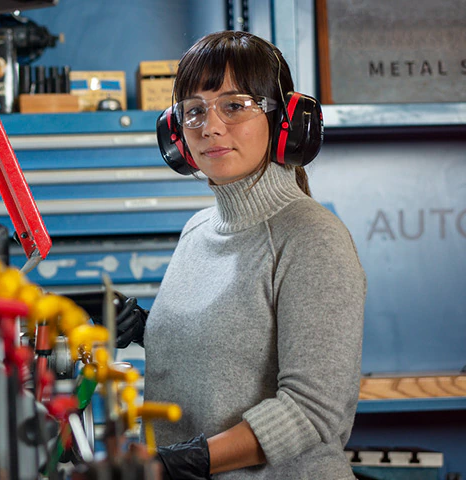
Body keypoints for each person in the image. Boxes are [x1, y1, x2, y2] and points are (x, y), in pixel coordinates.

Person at [114, 31, 367, 479]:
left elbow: (312, 412)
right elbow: (231, 353)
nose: (210, 126)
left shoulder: (312, 239)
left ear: (286, 120)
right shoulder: (196, 231)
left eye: (234, 105)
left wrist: (187, 461)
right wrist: (146, 329)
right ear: (175, 133)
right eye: (193, 111)